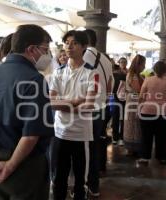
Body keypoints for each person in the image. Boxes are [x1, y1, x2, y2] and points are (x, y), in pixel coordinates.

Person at [0, 24, 54, 200]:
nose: (47, 56)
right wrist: (10, 165)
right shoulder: (34, 80)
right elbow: (31, 135)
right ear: (32, 49)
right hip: (24, 162)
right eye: (45, 50)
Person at [50, 30, 98, 200]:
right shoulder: (58, 72)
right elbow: (51, 102)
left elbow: (89, 105)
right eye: (67, 42)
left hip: (81, 134)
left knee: (80, 182)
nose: (69, 46)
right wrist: (76, 100)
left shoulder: (92, 73)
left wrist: (64, 103)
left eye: (74, 43)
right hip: (59, 132)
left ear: (84, 46)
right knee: (58, 178)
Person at [83, 29, 114, 197]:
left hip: (87, 109)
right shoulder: (106, 60)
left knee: (82, 148)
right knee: (94, 147)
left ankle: (82, 185)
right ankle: (94, 186)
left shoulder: (82, 57)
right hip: (101, 109)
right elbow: (110, 86)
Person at [138, 61, 166, 165]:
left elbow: (141, 96)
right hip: (165, 112)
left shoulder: (148, 80)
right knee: (162, 136)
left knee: (146, 135)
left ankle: (145, 157)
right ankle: (161, 157)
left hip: (147, 110)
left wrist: (140, 107)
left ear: (154, 69)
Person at [123, 54, 145, 156]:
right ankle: (132, 147)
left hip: (133, 100)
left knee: (133, 123)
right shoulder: (133, 75)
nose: (144, 67)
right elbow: (138, 90)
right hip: (134, 101)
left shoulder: (135, 74)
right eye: (143, 65)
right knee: (133, 124)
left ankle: (133, 147)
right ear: (138, 65)